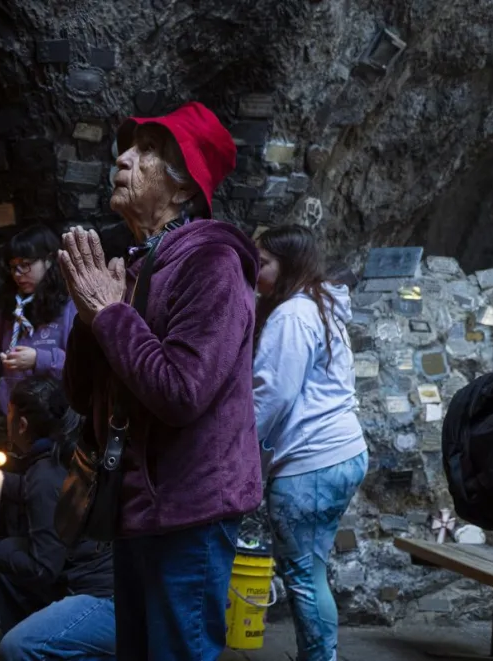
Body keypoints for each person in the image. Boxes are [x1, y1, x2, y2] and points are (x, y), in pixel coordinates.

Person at [59, 101, 262, 661]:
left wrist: (109, 315)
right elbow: (81, 395)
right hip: (139, 504)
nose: (123, 158)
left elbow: (181, 391)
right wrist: (88, 315)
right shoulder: (139, 260)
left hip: (189, 510)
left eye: (147, 151)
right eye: (127, 148)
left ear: (182, 187)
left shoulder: (213, 262)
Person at [253, 225, 369, 661]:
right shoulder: (320, 307)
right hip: (342, 453)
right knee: (312, 571)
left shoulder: (294, 315)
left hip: (311, 462)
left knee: (302, 575)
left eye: (262, 263)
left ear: (289, 264)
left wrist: (240, 446)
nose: (255, 272)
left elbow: (272, 392)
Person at [0, 376, 116, 660]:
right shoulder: (64, 454)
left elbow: (43, 568)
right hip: (110, 588)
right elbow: (23, 489)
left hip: (104, 599)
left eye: (8, 415)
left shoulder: (47, 473)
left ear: (21, 425)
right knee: (10, 553)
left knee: (18, 645)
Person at [0, 224, 77, 414]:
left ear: (50, 260)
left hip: (57, 416)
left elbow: (82, 367)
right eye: (13, 267)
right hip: (16, 413)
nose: (18, 274)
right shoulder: (13, 306)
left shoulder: (71, 307)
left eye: (25, 264)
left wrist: (39, 359)